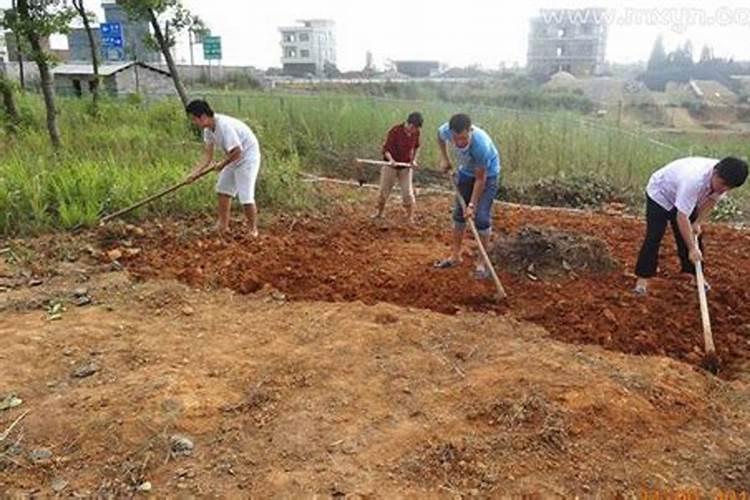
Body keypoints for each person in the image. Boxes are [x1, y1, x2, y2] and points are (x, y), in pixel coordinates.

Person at [633, 156, 748, 295]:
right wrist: (692, 249)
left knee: (693, 236)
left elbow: (711, 201)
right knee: (654, 236)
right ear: (715, 173)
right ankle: (642, 280)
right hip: (660, 194)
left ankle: (696, 278)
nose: (724, 189)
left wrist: (698, 222)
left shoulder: (724, 179)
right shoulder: (694, 180)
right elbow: (681, 217)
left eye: (729, 187)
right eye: (723, 184)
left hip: (684, 196)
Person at [434, 113, 501, 279]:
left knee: (481, 218)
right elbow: (439, 136)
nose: (459, 143)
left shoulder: (481, 146)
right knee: (458, 214)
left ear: (470, 131)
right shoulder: (446, 131)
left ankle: (481, 264)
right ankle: (455, 256)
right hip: (465, 172)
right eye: (456, 139)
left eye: (463, 138)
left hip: (488, 176)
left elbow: (480, 179)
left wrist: (472, 205)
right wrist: (445, 159)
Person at [185, 99, 262, 237]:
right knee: (223, 188)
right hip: (233, 156)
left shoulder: (224, 125)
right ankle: (222, 226)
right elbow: (207, 157)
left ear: (202, 116)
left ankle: (253, 230)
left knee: (245, 195)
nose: (194, 123)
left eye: (194, 119)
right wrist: (194, 174)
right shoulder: (208, 130)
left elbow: (238, 150)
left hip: (247, 157)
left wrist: (222, 164)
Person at [373, 112, 423, 223]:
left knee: (407, 193)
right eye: (412, 127)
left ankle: (410, 217)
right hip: (390, 165)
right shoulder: (395, 131)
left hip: (405, 166)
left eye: (416, 129)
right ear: (408, 123)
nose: (413, 130)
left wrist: (413, 160)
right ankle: (379, 213)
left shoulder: (416, 133)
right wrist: (391, 161)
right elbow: (386, 149)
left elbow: (416, 147)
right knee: (383, 191)